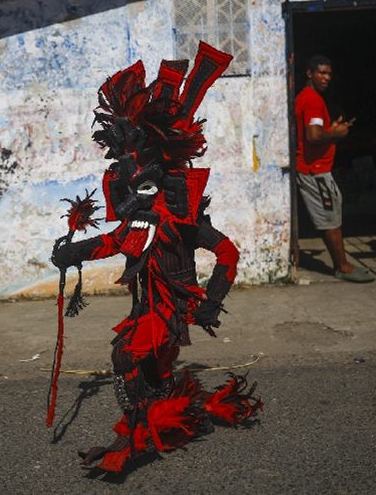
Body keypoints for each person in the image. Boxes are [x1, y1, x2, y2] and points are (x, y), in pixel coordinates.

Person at [50, 43, 261, 474]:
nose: (131, 188)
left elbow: (227, 252)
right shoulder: (140, 218)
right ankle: (159, 423)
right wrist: (72, 253)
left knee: (125, 357)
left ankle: (130, 441)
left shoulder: (183, 221)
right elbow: (115, 242)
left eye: (141, 177)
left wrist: (211, 301)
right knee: (152, 370)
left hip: (168, 313)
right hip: (145, 307)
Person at [295, 55, 375, 282]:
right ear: (309, 73)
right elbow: (313, 135)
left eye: (329, 73)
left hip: (317, 169)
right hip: (315, 170)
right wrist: (336, 133)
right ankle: (343, 267)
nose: (326, 78)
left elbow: (316, 131)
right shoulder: (311, 100)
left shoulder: (308, 98)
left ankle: (342, 264)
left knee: (332, 214)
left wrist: (331, 129)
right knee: (329, 218)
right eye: (321, 72)